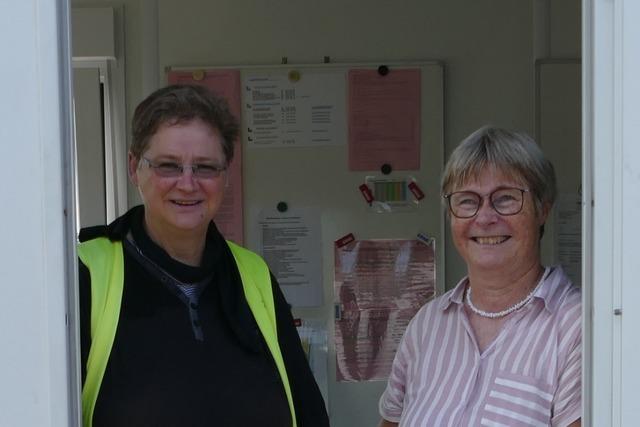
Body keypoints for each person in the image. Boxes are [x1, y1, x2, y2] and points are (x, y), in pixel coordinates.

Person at [78, 84, 329, 427]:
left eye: (205, 167)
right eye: (168, 165)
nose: (187, 183)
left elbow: (309, 415)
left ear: (226, 174)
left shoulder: (253, 276)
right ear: (135, 168)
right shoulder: (86, 274)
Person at [378, 126, 581, 426]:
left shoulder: (576, 327)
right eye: (467, 200)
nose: (485, 217)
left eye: (506, 198)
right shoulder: (427, 324)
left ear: (543, 210)